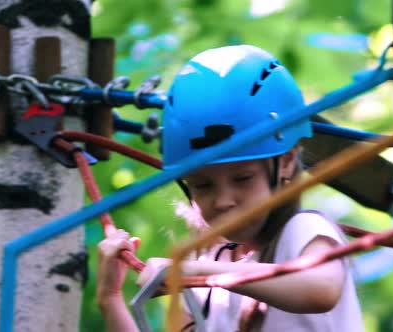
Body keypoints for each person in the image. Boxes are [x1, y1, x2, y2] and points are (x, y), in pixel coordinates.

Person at [97, 45, 364, 331]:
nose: (223, 201)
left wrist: (196, 271)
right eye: (202, 185)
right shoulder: (210, 264)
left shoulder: (302, 230)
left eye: (242, 179)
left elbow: (320, 289)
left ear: (286, 162)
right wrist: (110, 300)